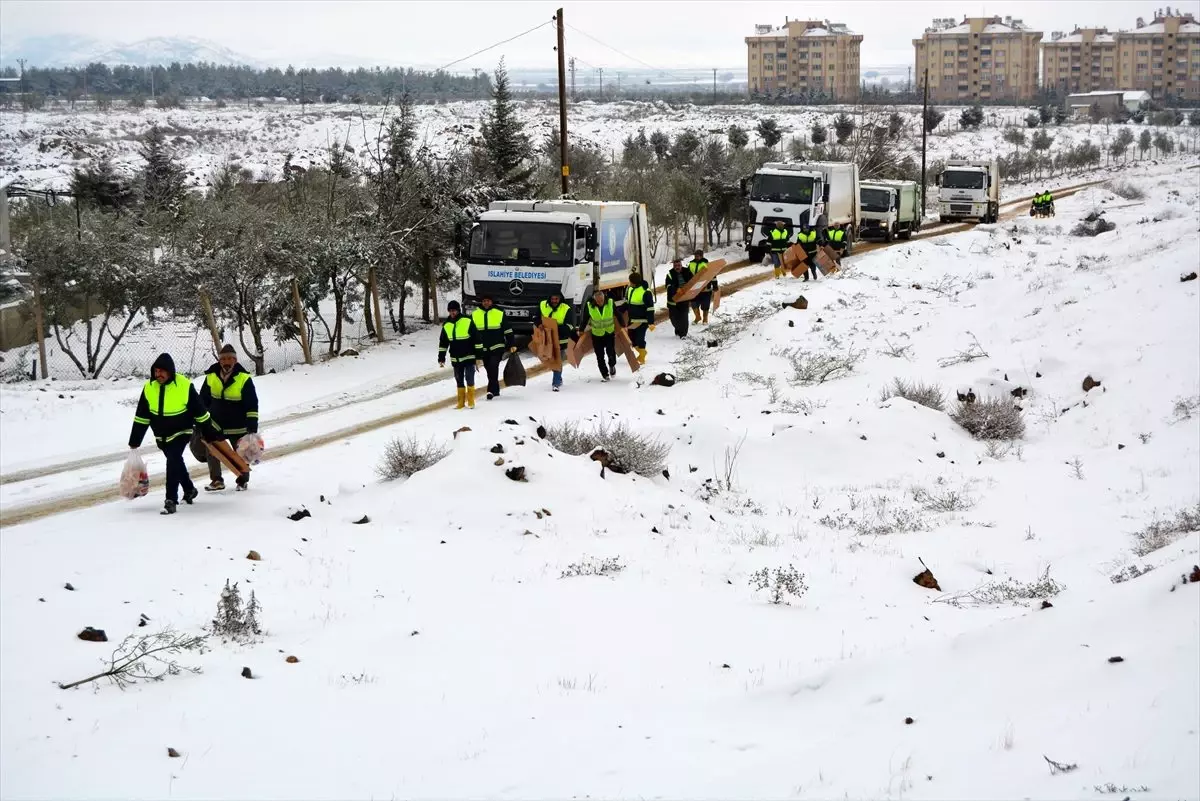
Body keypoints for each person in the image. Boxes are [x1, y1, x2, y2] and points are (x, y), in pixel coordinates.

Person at [129, 353, 220, 515]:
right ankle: (189, 489)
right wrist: (135, 440)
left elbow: (200, 411)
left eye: (162, 371)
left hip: (182, 431)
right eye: (156, 371)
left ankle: (170, 500)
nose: (158, 375)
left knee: (172, 460)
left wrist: (209, 433)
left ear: (170, 371)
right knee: (176, 460)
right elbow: (142, 416)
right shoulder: (149, 387)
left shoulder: (184, 385)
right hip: (162, 434)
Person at [198, 344, 258, 492]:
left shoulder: (244, 379)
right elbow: (203, 400)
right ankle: (217, 480)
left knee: (241, 455)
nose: (227, 362)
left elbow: (252, 405)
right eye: (223, 359)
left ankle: (242, 481)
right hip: (217, 424)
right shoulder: (211, 377)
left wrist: (252, 429)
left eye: (230, 358)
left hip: (238, 426)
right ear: (219, 361)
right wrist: (201, 419)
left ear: (236, 361)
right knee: (212, 451)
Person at [438, 300, 483, 409]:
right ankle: (461, 402)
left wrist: (478, 357)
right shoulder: (446, 325)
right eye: (450, 311)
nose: (452, 313)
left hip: (469, 356)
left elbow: (477, 339)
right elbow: (443, 343)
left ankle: (471, 400)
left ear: (458, 310)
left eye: (454, 310)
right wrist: (441, 357)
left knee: (469, 377)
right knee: (458, 379)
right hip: (455, 357)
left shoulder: (467, 321)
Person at [470, 294, 515, 400]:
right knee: (489, 369)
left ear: (491, 302)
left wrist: (512, 343)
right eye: (484, 301)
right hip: (482, 348)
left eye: (488, 301)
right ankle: (496, 390)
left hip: (497, 346)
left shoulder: (499, 313)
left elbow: (507, 329)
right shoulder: (475, 314)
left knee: (493, 367)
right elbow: (471, 332)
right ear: (482, 302)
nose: (486, 303)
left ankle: (490, 391)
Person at [532, 291, 575, 392]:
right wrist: (539, 324)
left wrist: (555, 328)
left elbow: (570, 325)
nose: (554, 301)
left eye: (556, 299)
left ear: (560, 299)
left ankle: (555, 383)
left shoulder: (566, 308)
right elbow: (535, 317)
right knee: (551, 360)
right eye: (552, 299)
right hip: (546, 340)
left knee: (557, 359)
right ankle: (559, 377)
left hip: (560, 339)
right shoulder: (542, 305)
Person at [583, 288, 618, 382]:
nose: (600, 303)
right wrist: (581, 330)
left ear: (604, 298)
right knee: (600, 356)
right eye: (598, 301)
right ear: (595, 300)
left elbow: (617, 314)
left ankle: (612, 365)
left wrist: (623, 326)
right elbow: (585, 319)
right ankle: (605, 374)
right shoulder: (590, 306)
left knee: (611, 352)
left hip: (609, 333)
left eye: (601, 301)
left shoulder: (610, 303)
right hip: (597, 335)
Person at [624, 270, 655, 365]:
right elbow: (627, 302)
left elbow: (650, 308)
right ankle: (642, 352)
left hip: (642, 321)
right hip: (632, 320)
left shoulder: (646, 292)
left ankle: (642, 357)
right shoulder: (630, 289)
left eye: (630, 282)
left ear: (634, 282)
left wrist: (651, 322)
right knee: (631, 339)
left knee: (639, 339)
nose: (629, 283)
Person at [688, 249, 718, 325]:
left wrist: (715, 285)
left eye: (698, 255)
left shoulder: (706, 263)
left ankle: (705, 319)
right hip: (695, 288)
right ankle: (697, 317)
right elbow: (687, 275)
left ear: (701, 256)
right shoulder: (691, 264)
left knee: (705, 304)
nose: (696, 256)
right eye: (695, 255)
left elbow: (713, 275)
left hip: (706, 288)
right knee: (694, 303)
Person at [664, 258, 691, 338]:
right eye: (675, 266)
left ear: (681, 265)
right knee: (673, 318)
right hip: (673, 300)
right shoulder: (670, 274)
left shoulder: (687, 272)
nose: (677, 267)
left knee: (684, 317)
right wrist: (676, 289)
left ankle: (683, 334)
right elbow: (667, 286)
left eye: (679, 265)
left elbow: (693, 281)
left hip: (684, 299)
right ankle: (678, 329)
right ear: (673, 266)